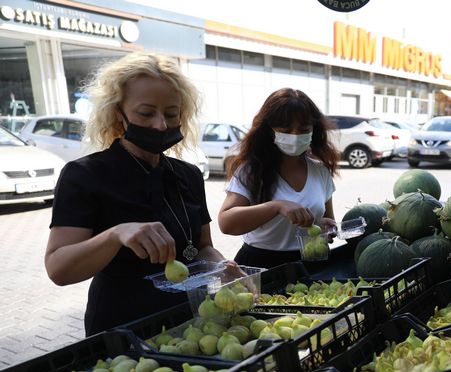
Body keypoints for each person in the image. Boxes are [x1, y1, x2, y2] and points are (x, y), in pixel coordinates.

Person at [45, 53, 228, 336]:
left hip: (191, 320)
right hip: (123, 327)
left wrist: (222, 266)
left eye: (171, 114)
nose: (160, 126)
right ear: (118, 113)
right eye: (146, 113)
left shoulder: (189, 175)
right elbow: (59, 269)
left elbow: (202, 247)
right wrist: (116, 234)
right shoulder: (84, 175)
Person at [218, 88, 340, 269]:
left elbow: (326, 220)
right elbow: (226, 223)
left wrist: (325, 228)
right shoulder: (251, 171)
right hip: (262, 266)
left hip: (312, 263)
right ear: (269, 131)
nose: (295, 136)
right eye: (286, 130)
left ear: (314, 130)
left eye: (303, 129)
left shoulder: (320, 172)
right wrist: (276, 206)